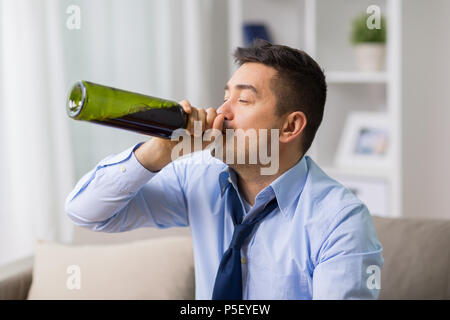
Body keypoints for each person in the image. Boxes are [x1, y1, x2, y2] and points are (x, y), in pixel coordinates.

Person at [65, 39, 383, 300]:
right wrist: (159, 151)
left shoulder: (340, 222)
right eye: (225, 96)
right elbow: (85, 212)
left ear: (290, 126)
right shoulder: (199, 177)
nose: (221, 112)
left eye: (243, 100)